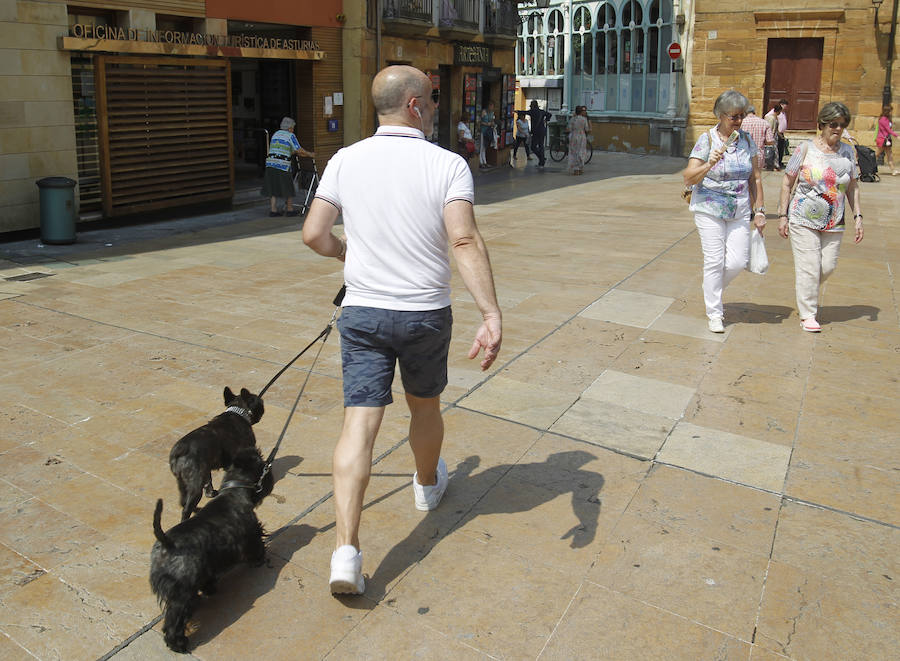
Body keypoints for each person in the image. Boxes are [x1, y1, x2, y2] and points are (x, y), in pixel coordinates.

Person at [301, 65, 502, 596]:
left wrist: (347, 254)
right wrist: (491, 313)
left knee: (358, 425)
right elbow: (463, 241)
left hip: (363, 312)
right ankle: (427, 484)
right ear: (415, 105)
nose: (436, 106)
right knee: (425, 407)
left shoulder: (344, 160)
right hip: (423, 315)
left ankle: (346, 551)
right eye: (432, 99)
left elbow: (314, 234)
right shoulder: (447, 165)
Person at [682, 90, 767, 334]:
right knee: (714, 261)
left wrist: (759, 210)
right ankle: (715, 313)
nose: (739, 121)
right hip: (709, 207)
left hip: (739, 208)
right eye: (734, 117)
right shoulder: (707, 140)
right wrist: (710, 163)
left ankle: (712, 289)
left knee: (738, 261)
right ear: (720, 115)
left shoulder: (747, 140)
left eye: (742, 116)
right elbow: (688, 177)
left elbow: (756, 179)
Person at [776, 102, 863, 332]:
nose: (837, 129)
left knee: (828, 266)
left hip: (834, 220)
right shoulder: (804, 149)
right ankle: (808, 315)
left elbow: (853, 186)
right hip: (802, 217)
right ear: (822, 125)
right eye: (833, 124)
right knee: (810, 268)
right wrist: (782, 215)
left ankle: (806, 290)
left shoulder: (847, 151)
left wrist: (859, 216)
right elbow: (787, 182)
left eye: (842, 125)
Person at [261, 117, 315, 217]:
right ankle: (289, 209)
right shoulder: (290, 136)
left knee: (273, 187)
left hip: (270, 164)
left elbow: (289, 150)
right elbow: (299, 150)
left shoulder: (276, 134)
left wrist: (302, 153)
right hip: (282, 165)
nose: (293, 129)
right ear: (290, 128)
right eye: (293, 127)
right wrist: (311, 154)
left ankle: (273, 210)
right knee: (288, 186)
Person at [741, 105, 775, 170]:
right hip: (758, 155)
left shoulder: (741, 122)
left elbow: (732, 138)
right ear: (754, 112)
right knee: (756, 177)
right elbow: (770, 141)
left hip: (743, 154)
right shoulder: (765, 123)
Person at [566, 105, 591, 175]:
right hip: (582, 137)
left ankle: (575, 169)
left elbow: (569, 129)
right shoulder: (584, 119)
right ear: (581, 112)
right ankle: (580, 168)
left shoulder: (572, 119)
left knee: (573, 152)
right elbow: (587, 129)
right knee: (581, 152)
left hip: (574, 136)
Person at [875, 105, 898, 175]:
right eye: (890, 111)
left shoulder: (886, 119)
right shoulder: (883, 119)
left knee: (890, 155)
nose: (891, 112)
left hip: (887, 139)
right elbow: (888, 130)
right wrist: (897, 136)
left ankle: (893, 170)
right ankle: (866, 165)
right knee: (877, 154)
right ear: (887, 111)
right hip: (883, 139)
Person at [528, 99, 551, 168]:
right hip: (542, 131)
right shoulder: (542, 111)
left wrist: (518, 111)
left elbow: (525, 112)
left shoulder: (532, 111)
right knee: (541, 146)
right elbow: (549, 114)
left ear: (532, 106)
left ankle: (541, 159)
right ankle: (542, 161)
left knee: (533, 147)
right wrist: (546, 120)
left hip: (536, 131)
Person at [478, 101, 496, 169]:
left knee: (485, 146)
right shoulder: (484, 112)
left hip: (488, 131)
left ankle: (484, 161)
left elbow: (492, 120)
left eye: (492, 106)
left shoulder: (492, 113)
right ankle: (481, 161)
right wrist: (487, 124)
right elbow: (480, 121)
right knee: (482, 146)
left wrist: (492, 123)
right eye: (491, 106)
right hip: (484, 131)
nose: (491, 107)